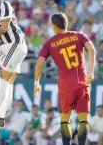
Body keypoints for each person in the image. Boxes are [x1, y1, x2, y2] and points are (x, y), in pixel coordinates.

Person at [34, 12, 96, 145]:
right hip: (82, 81)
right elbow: (91, 49)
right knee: (84, 120)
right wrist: (91, 71)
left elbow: (39, 62)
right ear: (66, 23)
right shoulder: (79, 35)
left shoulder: (50, 43)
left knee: (64, 120)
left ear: (53, 25)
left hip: (66, 85)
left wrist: (36, 82)